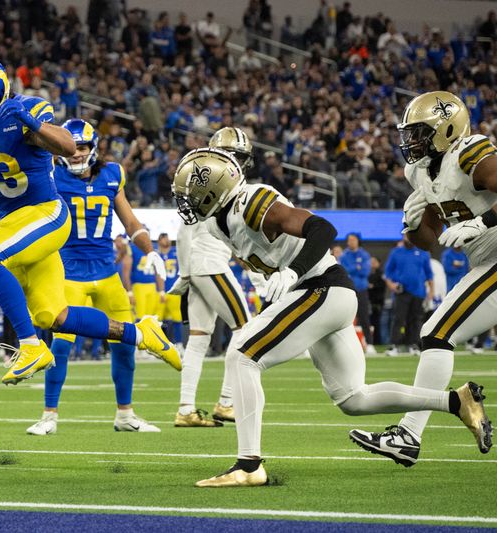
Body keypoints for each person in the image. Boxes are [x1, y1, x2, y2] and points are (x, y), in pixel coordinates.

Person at [171, 147, 490, 488]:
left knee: (241, 354)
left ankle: (249, 466)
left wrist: (292, 273)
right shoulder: (219, 222)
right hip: (328, 294)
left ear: (213, 190)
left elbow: (322, 229)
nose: (186, 202)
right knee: (353, 398)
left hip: (319, 288)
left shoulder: (248, 203)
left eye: (191, 194)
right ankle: (457, 401)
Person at [0, 54, 179, 385]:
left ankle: (30, 346)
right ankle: (142, 334)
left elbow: (68, 145)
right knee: (55, 316)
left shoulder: (23, 112)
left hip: (46, 214)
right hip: (15, 221)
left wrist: (31, 122)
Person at [351, 91, 497, 466]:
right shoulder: (419, 170)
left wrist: (483, 222)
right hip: (484, 261)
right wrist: (412, 225)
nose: (411, 142)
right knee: (436, 333)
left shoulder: (470, 153)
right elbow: (427, 238)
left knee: (436, 332)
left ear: (447, 129)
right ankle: (408, 435)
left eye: (419, 132)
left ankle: (408, 435)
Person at [25, 119, 169, 435]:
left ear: (93, 148)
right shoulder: (51, 175)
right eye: (71, 147)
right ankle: (49, 415)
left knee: (123, 347)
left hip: (107, 273)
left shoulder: (112, 174)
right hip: (69, 273)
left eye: (82, 147)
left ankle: (125, 414)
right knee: (59, 347)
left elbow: (130, 222)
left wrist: (150, 251)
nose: (76, 154)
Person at [169, 126, 255, 427]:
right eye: (236, 156)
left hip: (199, 266)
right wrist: (185, 271)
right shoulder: (218, 184)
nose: (239, 163)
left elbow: (186, 231)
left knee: (198, 339)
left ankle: (185, 409)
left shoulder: (198, 181)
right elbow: (185, 231)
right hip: (209, 264)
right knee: (246, 327)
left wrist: (185, 272)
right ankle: (227, 402)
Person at [383, 235, 434, 355]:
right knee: (398, 319)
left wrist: (431, 291)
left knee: (416, 320)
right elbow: (387, 273)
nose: (408, 238)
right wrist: (391, 286)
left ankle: (414, 345)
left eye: (410, 236)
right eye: (406, 236)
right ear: (403, 237)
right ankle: (394, 345)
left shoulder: (423, 253)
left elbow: (429, 274)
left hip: (419, 291)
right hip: (402, 292)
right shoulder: (396, 252)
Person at [339, 232, 375, 353]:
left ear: (358, 241)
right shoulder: (344, 255)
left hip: (361, 290)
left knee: (364, 317)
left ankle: (369, 344)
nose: (351, 242)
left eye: (353, 240)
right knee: (344, 318)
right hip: (347, 290)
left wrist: (353, 268)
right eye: (349, 240)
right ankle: (342, 345)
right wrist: (357, 267)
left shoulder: (364, 254)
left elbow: (365, 271)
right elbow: (344, 270)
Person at [156, 233, 183, 347]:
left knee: (177, 319)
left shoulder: (176, 253)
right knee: (158, 320)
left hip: (174, 290)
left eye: (167, 238)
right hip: (159, 292)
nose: (166, 240)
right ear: (159, 241)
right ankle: (158, 344)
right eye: (164, 238)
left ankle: (179, 344)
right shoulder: (156, 255)